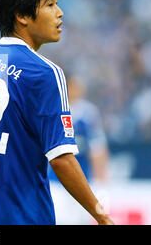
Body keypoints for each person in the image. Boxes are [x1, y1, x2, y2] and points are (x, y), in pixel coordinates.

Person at [0, 0, 114, 225]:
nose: (60, 13)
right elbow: (62, 159)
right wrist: (101, 215)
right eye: (50, 4)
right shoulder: (44, 72)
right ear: (22, 15)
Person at [48, 75, 110, 224]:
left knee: (79, 220)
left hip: (82, 180)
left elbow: (98, 149)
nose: (78, 90)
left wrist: (100, 180)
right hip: (55, 181)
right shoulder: (52, 109)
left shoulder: (88, 114)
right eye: (74, 86)